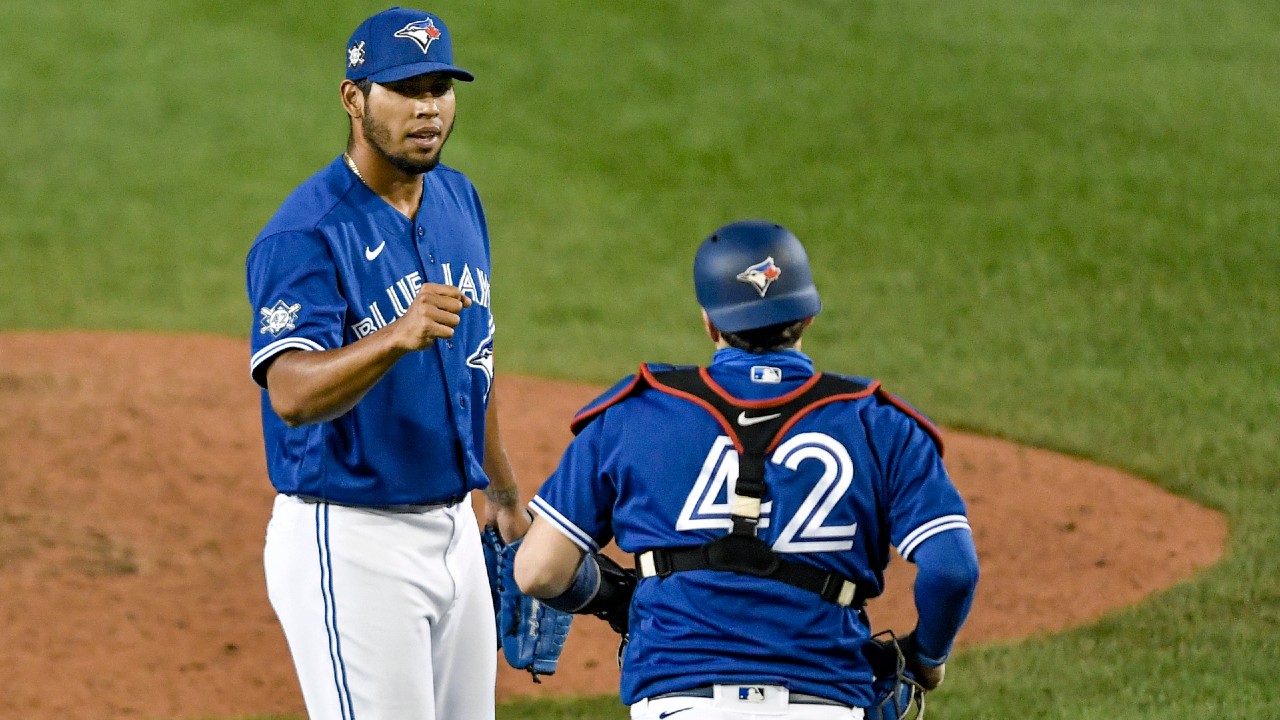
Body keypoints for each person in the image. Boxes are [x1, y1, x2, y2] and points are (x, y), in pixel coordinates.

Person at [514, 220, 980, 720]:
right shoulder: (881, 424)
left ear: (710, 322)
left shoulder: (633, 415)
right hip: (824, 700)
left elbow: (540, 572)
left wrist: (609, 595)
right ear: (808, 316)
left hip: (677, 701)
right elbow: (952, 569)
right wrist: (927, 658)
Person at [244, 8, 528, 720]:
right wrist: (394, 337)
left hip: (455, 532)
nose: (427, 108)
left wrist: (500, 486)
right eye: (404, 89)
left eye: (439, 87)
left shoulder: (461, 200)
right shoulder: (306, 234)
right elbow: (290, 392)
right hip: (352, 541)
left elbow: (477, 357)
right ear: (354, 98)